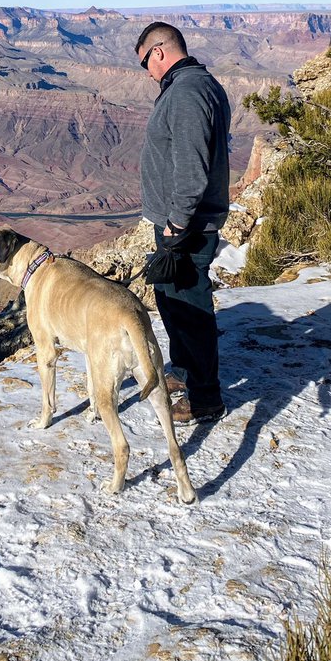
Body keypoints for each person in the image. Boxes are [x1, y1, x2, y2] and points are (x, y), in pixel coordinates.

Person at [135, 21, 231, 424]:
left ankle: (205, 398)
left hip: (187, 223)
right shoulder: (196, 84)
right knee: (173, 299)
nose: (148, 73)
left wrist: (177, 223)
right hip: (184, 219)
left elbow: (192, 168)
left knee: (190, 308)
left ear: (159, 52)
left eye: (145, 64)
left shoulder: (188, 93)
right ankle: (185, 370)